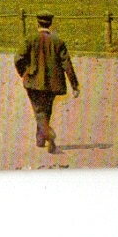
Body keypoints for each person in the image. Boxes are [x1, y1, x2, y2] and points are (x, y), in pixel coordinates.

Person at [15, 11, 80, 154]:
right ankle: (40, 140)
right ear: (50, 24)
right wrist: (74, 85)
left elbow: (18, 58)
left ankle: (49, 136)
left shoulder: (30, 39)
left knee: (39, 111)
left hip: (33, 82)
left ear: (37, 23)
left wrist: (24, 72)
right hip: (52, 83)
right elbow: (67, 64)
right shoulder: (58, 41)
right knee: (46, 111)